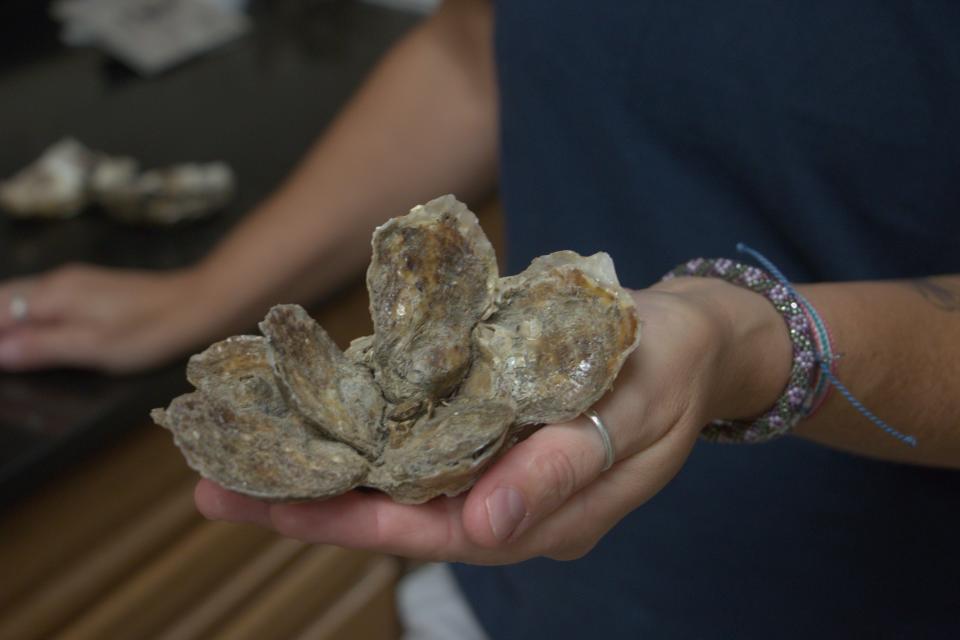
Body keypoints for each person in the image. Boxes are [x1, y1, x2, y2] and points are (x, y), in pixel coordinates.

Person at [2, 1, 960, 636]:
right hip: (487, 595)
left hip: (841, 595)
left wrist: (751, 342)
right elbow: (476, 48)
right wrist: (206, 291)